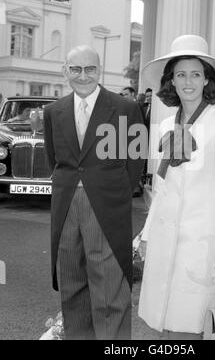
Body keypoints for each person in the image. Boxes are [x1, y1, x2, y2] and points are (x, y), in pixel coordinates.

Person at [138, 35, 215, 339]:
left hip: (201, 245)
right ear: (171, 81)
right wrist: (146, 234)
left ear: (207, 80)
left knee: (194, 326)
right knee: (165, 326)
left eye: (196, 74)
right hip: (164, 238)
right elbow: (162, 188)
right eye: (180, 74)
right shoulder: (169, 124)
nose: (188, 81)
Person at [43, 45, 144, 340]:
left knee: (110, 290)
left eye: (89, 69)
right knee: (72, 288)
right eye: (75, 69)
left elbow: (135, 163)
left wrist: (111, 193)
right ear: (65, 71)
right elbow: (56, 160)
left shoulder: (126, 108)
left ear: (99, 70)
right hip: (66, 207)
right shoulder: (53, 111)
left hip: (107, 206)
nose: (83, 75)